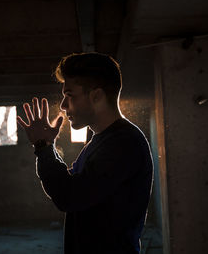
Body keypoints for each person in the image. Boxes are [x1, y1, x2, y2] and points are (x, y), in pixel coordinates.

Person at [17, 52, 153, 254]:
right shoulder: (102, 140)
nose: (63, 105)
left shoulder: (124, 143)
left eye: (69, 95)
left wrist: (43, 147)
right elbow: (70, 185)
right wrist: (46, 146)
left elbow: (69, 196)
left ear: (96, 96)